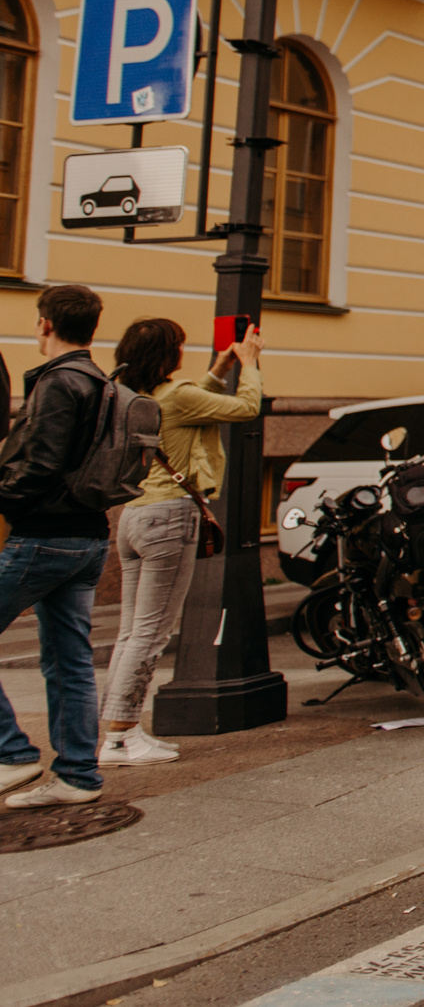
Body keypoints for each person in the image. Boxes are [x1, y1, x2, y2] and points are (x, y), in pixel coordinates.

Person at [97, 319, 263, 767]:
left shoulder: (130, 393)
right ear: (169, 355)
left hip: (133, 516)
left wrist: (218, 368)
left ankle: (115, 731)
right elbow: (246, 408)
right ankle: (121, 736)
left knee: (131, 632)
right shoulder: (178, 395)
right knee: (150, 633)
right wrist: (248, 364)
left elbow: (191, 404)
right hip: (170, 516)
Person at [0, 285, 114, 809]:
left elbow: (39, 465)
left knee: (68, 658)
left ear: (45, 323)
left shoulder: (58, 382)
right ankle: (78, 776)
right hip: (88, 538)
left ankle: (12, 752)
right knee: (70, 659)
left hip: (45, 537)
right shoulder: (100, 380)